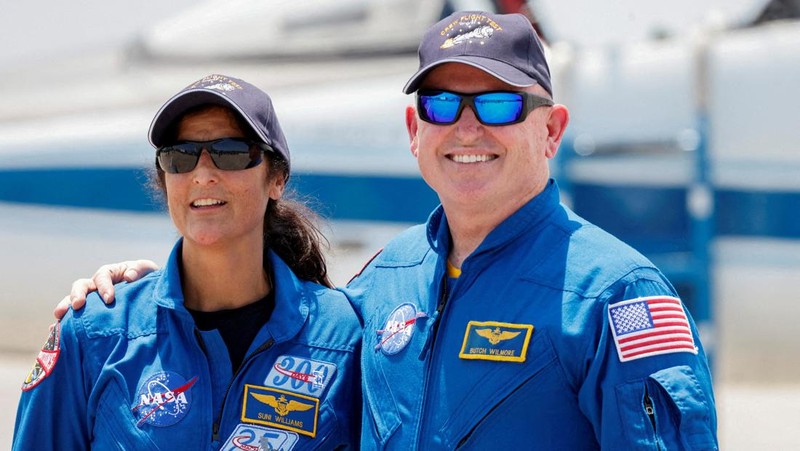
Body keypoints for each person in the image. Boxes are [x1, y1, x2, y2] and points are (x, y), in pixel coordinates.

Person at [54, 11, 718, 449]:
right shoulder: (384, 282)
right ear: (413, 133)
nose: (466, 127)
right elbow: (284, 321)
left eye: (498, 102)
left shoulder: (615, 295)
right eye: (439, 103)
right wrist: (149, 292)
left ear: (552, 130)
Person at [15, 74, 361, 450]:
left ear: (276, 178)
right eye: (180, 156)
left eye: (230, 152)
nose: (203, 174)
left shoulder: (342, 336)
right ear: (164, 182)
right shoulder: (95, 333)